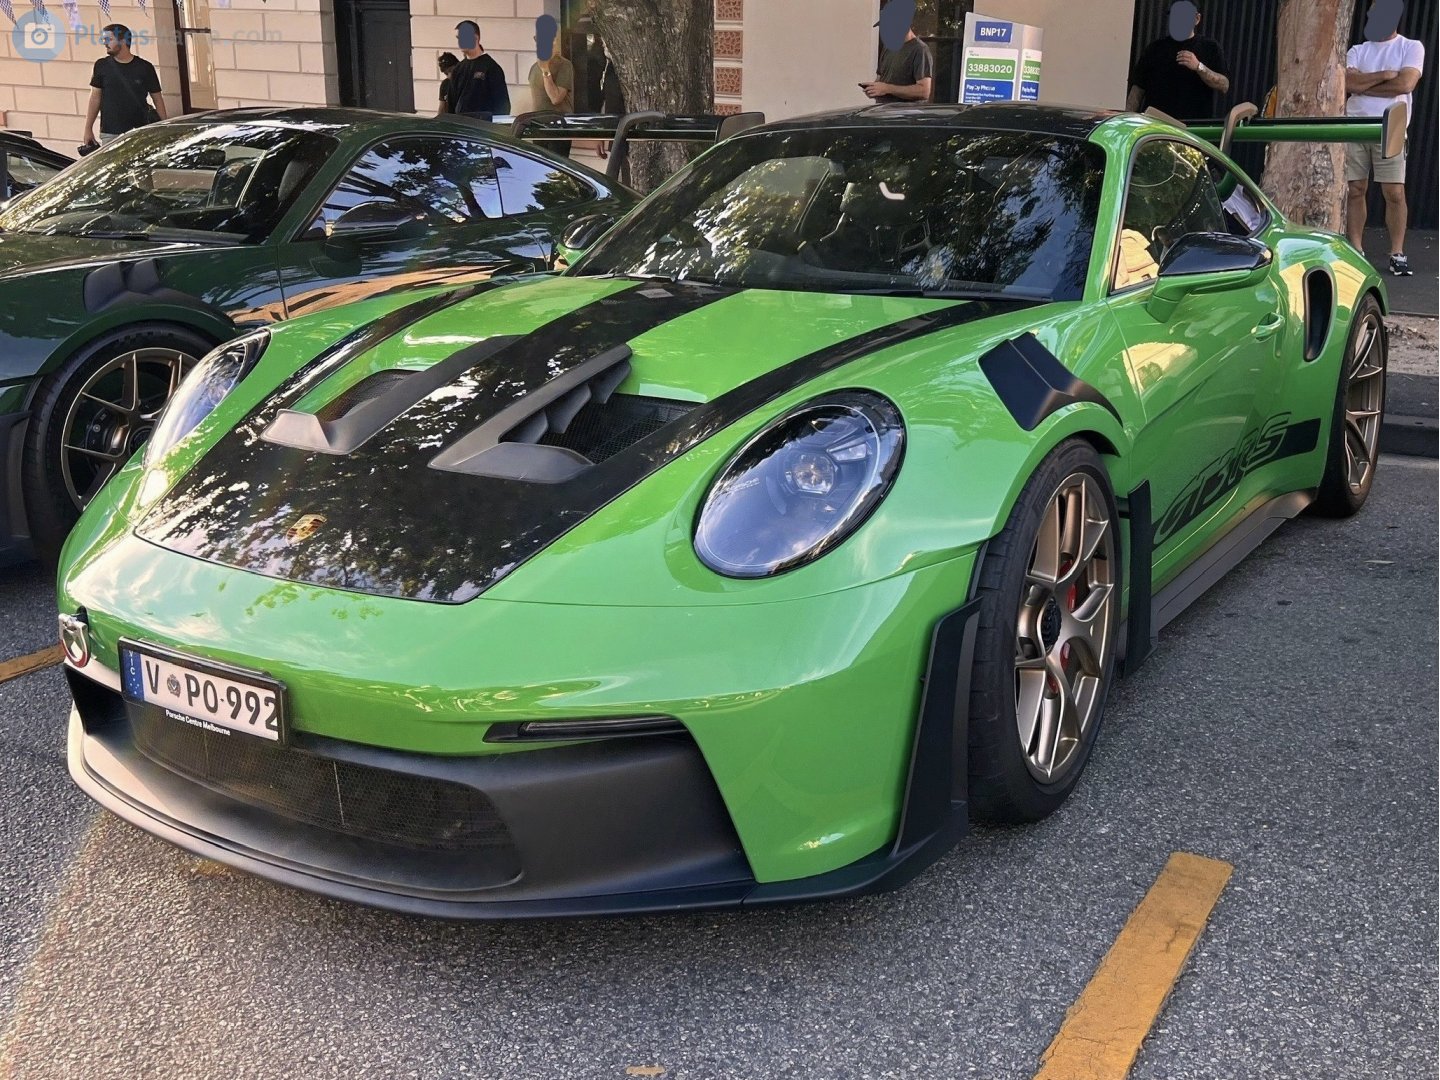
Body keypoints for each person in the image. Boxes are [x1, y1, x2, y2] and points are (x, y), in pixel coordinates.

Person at [1344, 0, 1425, 276]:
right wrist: (1385, 76)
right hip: (1353, 125)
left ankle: (1397, 252)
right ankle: (1356, 248)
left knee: (1394, 192)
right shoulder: (1358, 50)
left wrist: (1365, 85)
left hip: (1391, 125)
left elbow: (1405, 84)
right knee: (1355, 188)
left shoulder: (1411, 47)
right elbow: (1346, 83)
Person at [1126, 1, 1230, 122]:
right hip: (1156, 125)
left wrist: (1199, 66)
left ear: (1196, 19)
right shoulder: (1154, 49)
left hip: (1193, 127)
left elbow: (1224, 85)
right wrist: (1127, 120)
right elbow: (1137, 90)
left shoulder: (1210, 48)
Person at [83, 24, 167, 148]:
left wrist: (164, 128)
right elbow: (95, 98)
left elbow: (157, 99)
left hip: (140, 131)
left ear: (122, 40)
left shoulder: (145, 67)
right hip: (110, 133)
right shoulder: (101, 65)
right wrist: (88, 128)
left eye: (109, 39)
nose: (105, 43)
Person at [862, 0, 933, 104]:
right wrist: (874, 89)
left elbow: (924, 91)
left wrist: (887, 88)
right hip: (882, 110)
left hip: (903, 112)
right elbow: (881, 79)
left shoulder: (920, 50)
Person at [527, 15, 574, 156]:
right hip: (538, 130)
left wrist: (545, 70)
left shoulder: (564, 65)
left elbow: (556, 98)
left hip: (558, 131)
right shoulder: (534, 67)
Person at [445, 20, 510, 120]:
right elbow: (451, 105)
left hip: (482, 126)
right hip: (461, 125)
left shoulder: (491, 67)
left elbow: (502, 106)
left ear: (476, 37)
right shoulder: (458, 69)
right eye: (458, 38)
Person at [435, 52, 460, 117]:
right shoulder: (445, 84)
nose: (449, 76)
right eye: (446, 73)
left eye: (451, 71)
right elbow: (442, 106)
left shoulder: (466, 81)